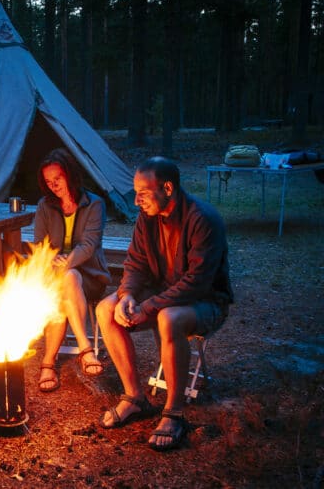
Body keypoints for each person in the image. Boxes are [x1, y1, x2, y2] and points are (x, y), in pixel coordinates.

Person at [95, 156, 233, 451]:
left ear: (167, 188)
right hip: (162, 294)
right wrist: (128, 295)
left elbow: (196, 282)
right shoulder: (148, 218)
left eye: (142, 194)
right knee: (106, 309)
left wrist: (149, 306)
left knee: (168, 317)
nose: (136, 202)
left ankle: (174, 412)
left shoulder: (202, 220)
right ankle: (134, 397)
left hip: (206, 301)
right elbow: (135, 263)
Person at [32, 148, 112, 391]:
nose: (53, 185)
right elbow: (39, 245)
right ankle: (85, 350)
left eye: (57, 179)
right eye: (48, 182)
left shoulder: (94, 204)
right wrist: (51, 263)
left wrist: (65, 263)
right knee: (63, 285)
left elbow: (89, 245)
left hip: (90, 275)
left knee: (68, 276)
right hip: (57, 276)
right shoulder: (45, 206)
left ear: (70, 174)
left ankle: (49, 362)